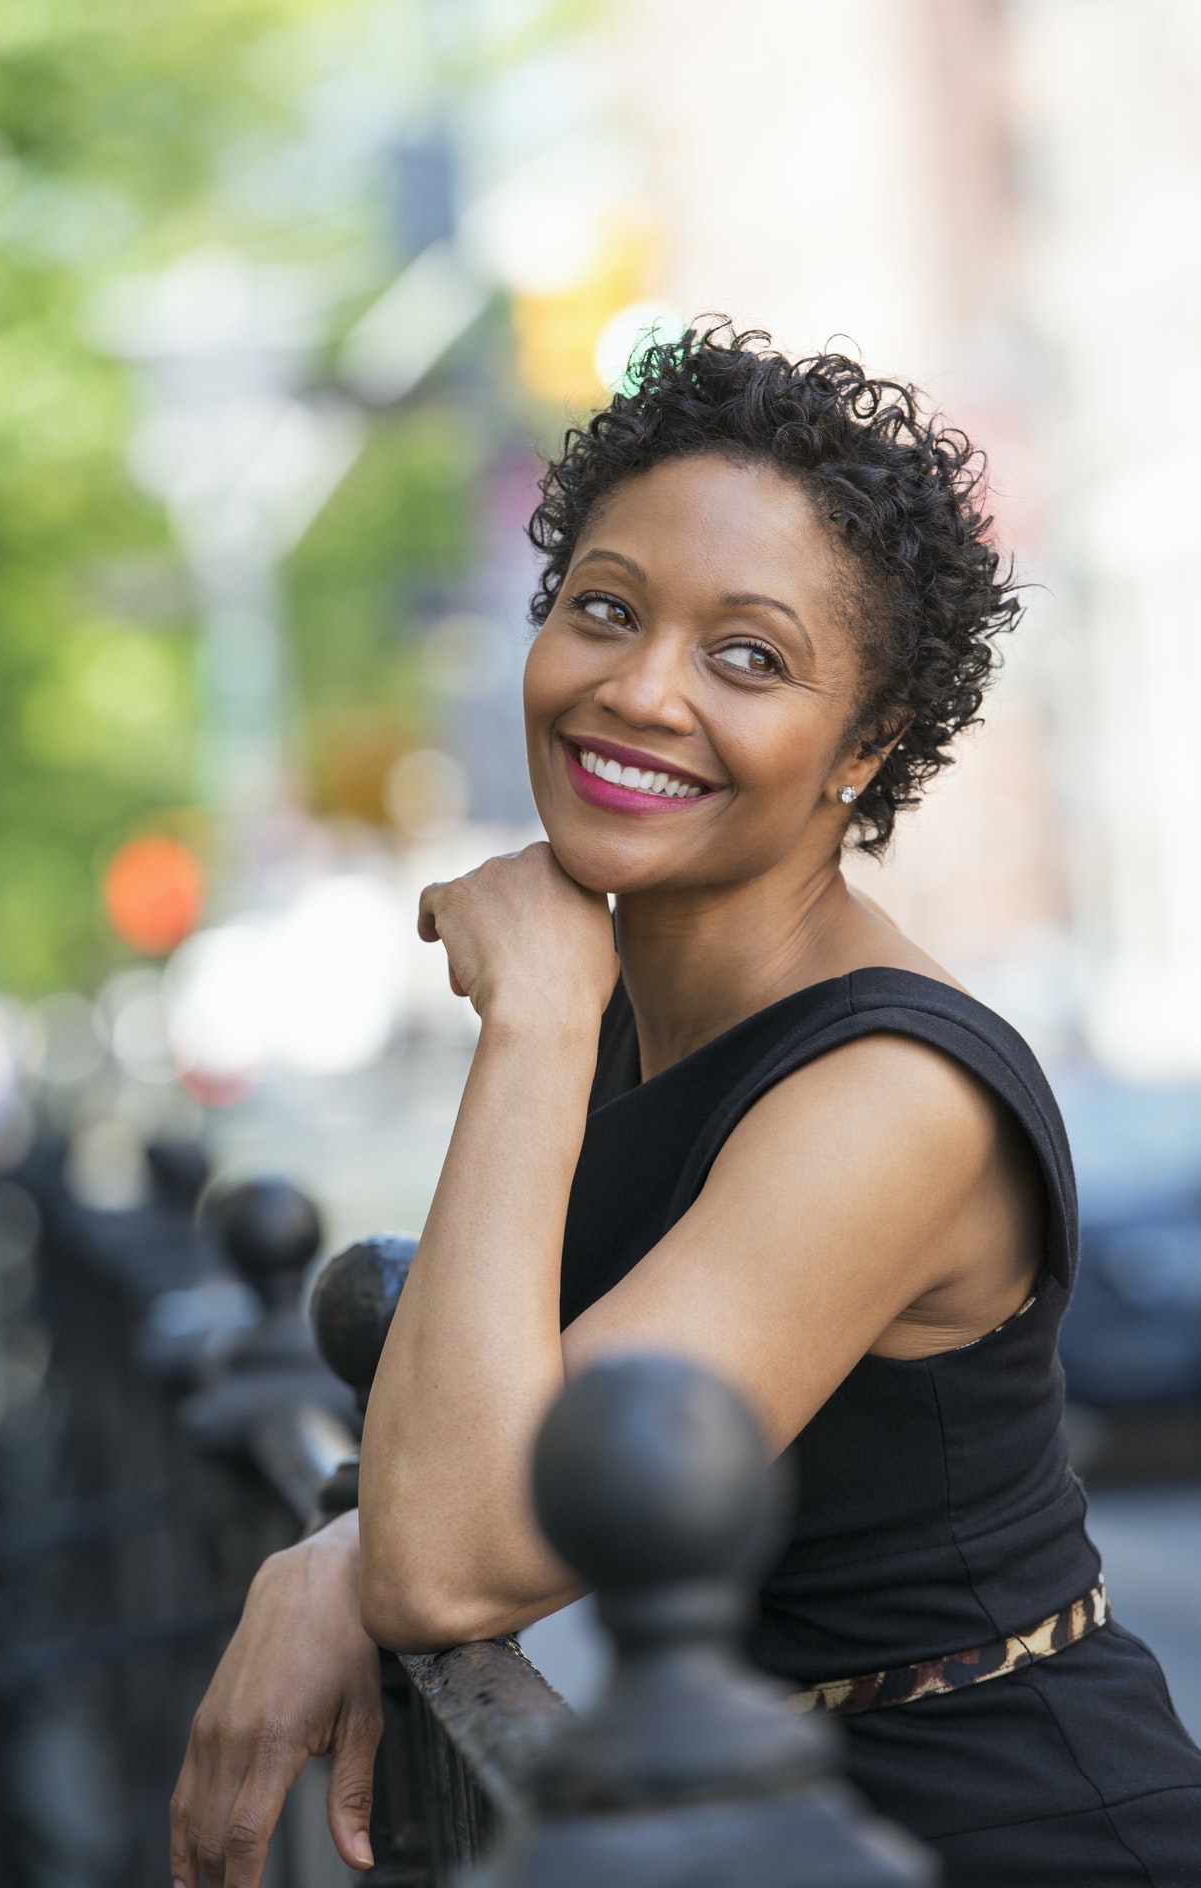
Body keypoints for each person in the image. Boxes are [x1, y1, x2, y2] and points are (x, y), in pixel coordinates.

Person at [170, 326, 1201, 1888]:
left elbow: (456, 1562)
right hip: (757, 1820)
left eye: (749, 656)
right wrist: (335, 1546)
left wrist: (525, 1014)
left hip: (1008, 1830)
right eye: (604, 610)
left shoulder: (892, 1092)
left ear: (868, 747)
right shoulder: (624, 1004)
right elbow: (494, 1439)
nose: (639, 690)